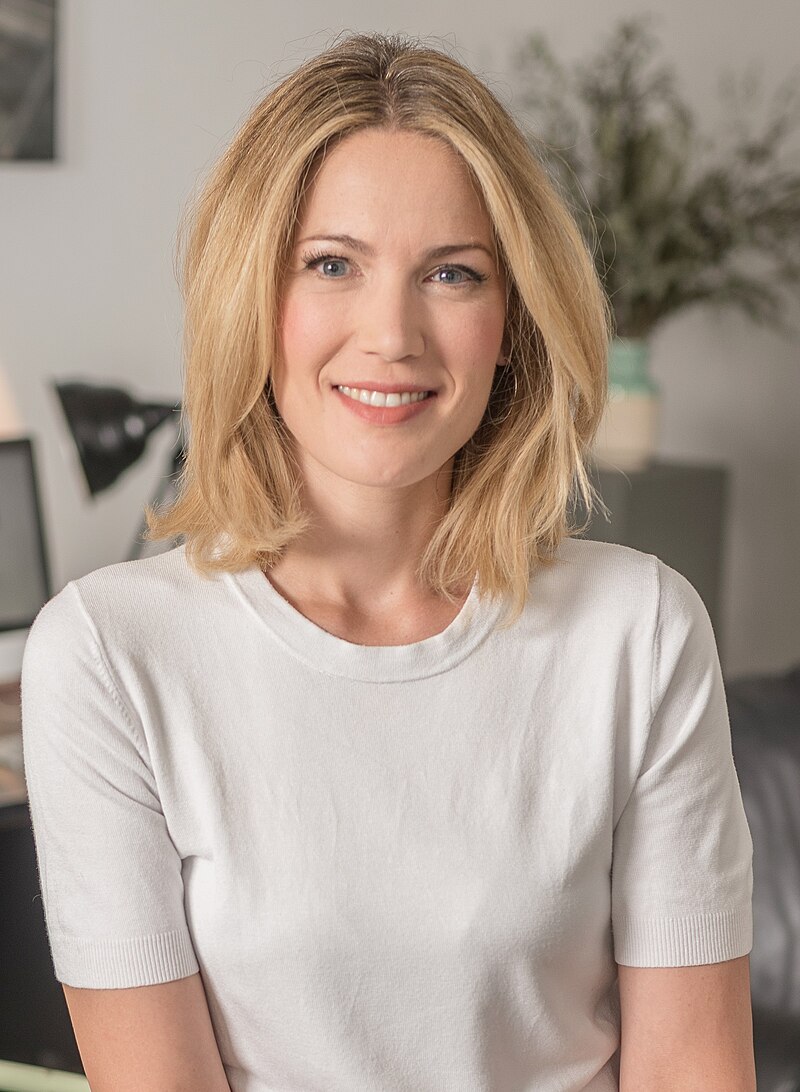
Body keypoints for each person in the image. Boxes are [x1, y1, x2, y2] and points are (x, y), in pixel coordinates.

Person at [21, 32, 755, 1092]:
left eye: (451, 273)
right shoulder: (108, 654)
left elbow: (692, 1069)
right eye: (332, 264)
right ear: (251, 297)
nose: (392, 334)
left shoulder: (638, 630)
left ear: (511, 322)